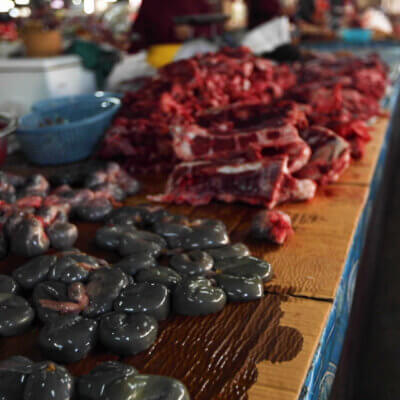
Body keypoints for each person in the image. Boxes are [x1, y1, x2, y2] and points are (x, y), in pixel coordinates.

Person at [130, 0, 213, 52]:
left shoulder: (198, 3)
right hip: (156, 57)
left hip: (194, 54)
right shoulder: (150, 2)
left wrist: (192, 32)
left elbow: (212, 27)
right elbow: (138, 32)